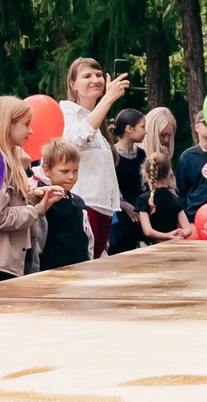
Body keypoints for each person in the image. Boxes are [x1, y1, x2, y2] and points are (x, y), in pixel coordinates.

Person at [0, 96, 54, 279]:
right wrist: (37, 210)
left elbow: (11, 203)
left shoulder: (12, 160)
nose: (30, 131)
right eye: (26, 124)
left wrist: (34, 196)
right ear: (8, 125)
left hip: (12, 260)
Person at [59, 57, 129, 257]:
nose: (95, 80)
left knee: (97, 262)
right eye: (87, 76)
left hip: (104, 206)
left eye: (99, 75)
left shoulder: (99, 119)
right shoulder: (66, 110)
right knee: (84, 262)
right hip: (84, 203)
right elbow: (75, 140)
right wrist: (108, 99)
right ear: (73, 84)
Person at [34, 140, 94, 271]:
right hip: (52, 273)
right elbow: (37, 241)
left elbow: (88, 237)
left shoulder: (79, 202)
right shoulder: (44, 202)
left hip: (80, 271)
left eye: (75, 171)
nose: (71, 177)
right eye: (64, 171)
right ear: (47, 170)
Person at [110, 106, 148, 251]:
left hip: (141, 214)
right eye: (142, 127)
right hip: (121, 217)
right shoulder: (112, 155)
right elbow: (110, 185)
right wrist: (124, 205)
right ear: (129, 129)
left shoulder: (141, 154)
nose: (145, 131)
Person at [175, 111, 207, 217]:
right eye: (206, 123)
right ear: (197, 127)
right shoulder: (186, 157)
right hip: (194, 215)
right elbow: (181, 193)